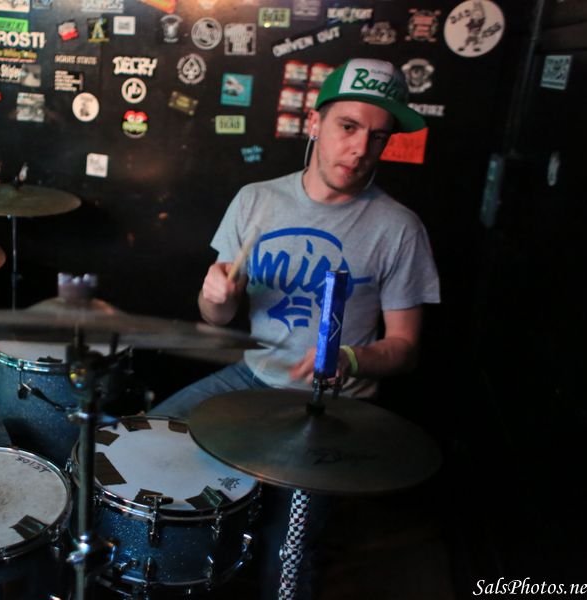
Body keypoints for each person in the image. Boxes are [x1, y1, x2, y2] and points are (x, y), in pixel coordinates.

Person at [149, 58, 441, 599]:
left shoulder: (399, 228)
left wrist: (348, 359)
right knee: (146, 445)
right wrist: (215, 298)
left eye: (377, 137)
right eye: (347, 126)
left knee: (286, 554)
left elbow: (405, 349)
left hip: (333, 405)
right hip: (251, 380)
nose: (360, 148)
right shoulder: (256, 200)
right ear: (314, 122)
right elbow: (216, 317)